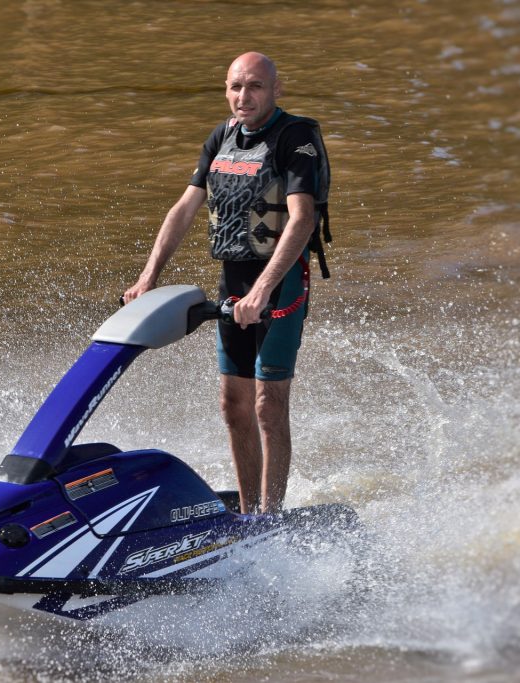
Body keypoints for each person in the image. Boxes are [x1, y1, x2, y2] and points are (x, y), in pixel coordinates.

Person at [123, 51, 329, 515]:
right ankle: (248, 512)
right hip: (233, 282)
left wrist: (262, 290)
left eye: (255, 86)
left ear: (276, 89)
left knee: (267, 405)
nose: (244, 96)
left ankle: (270, 516)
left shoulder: (296, 139)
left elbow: (301, 220)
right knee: (234, 405)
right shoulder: (222, 137)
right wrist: (147, 277)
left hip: (280, 284)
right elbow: (184, 209)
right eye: (236, 86)